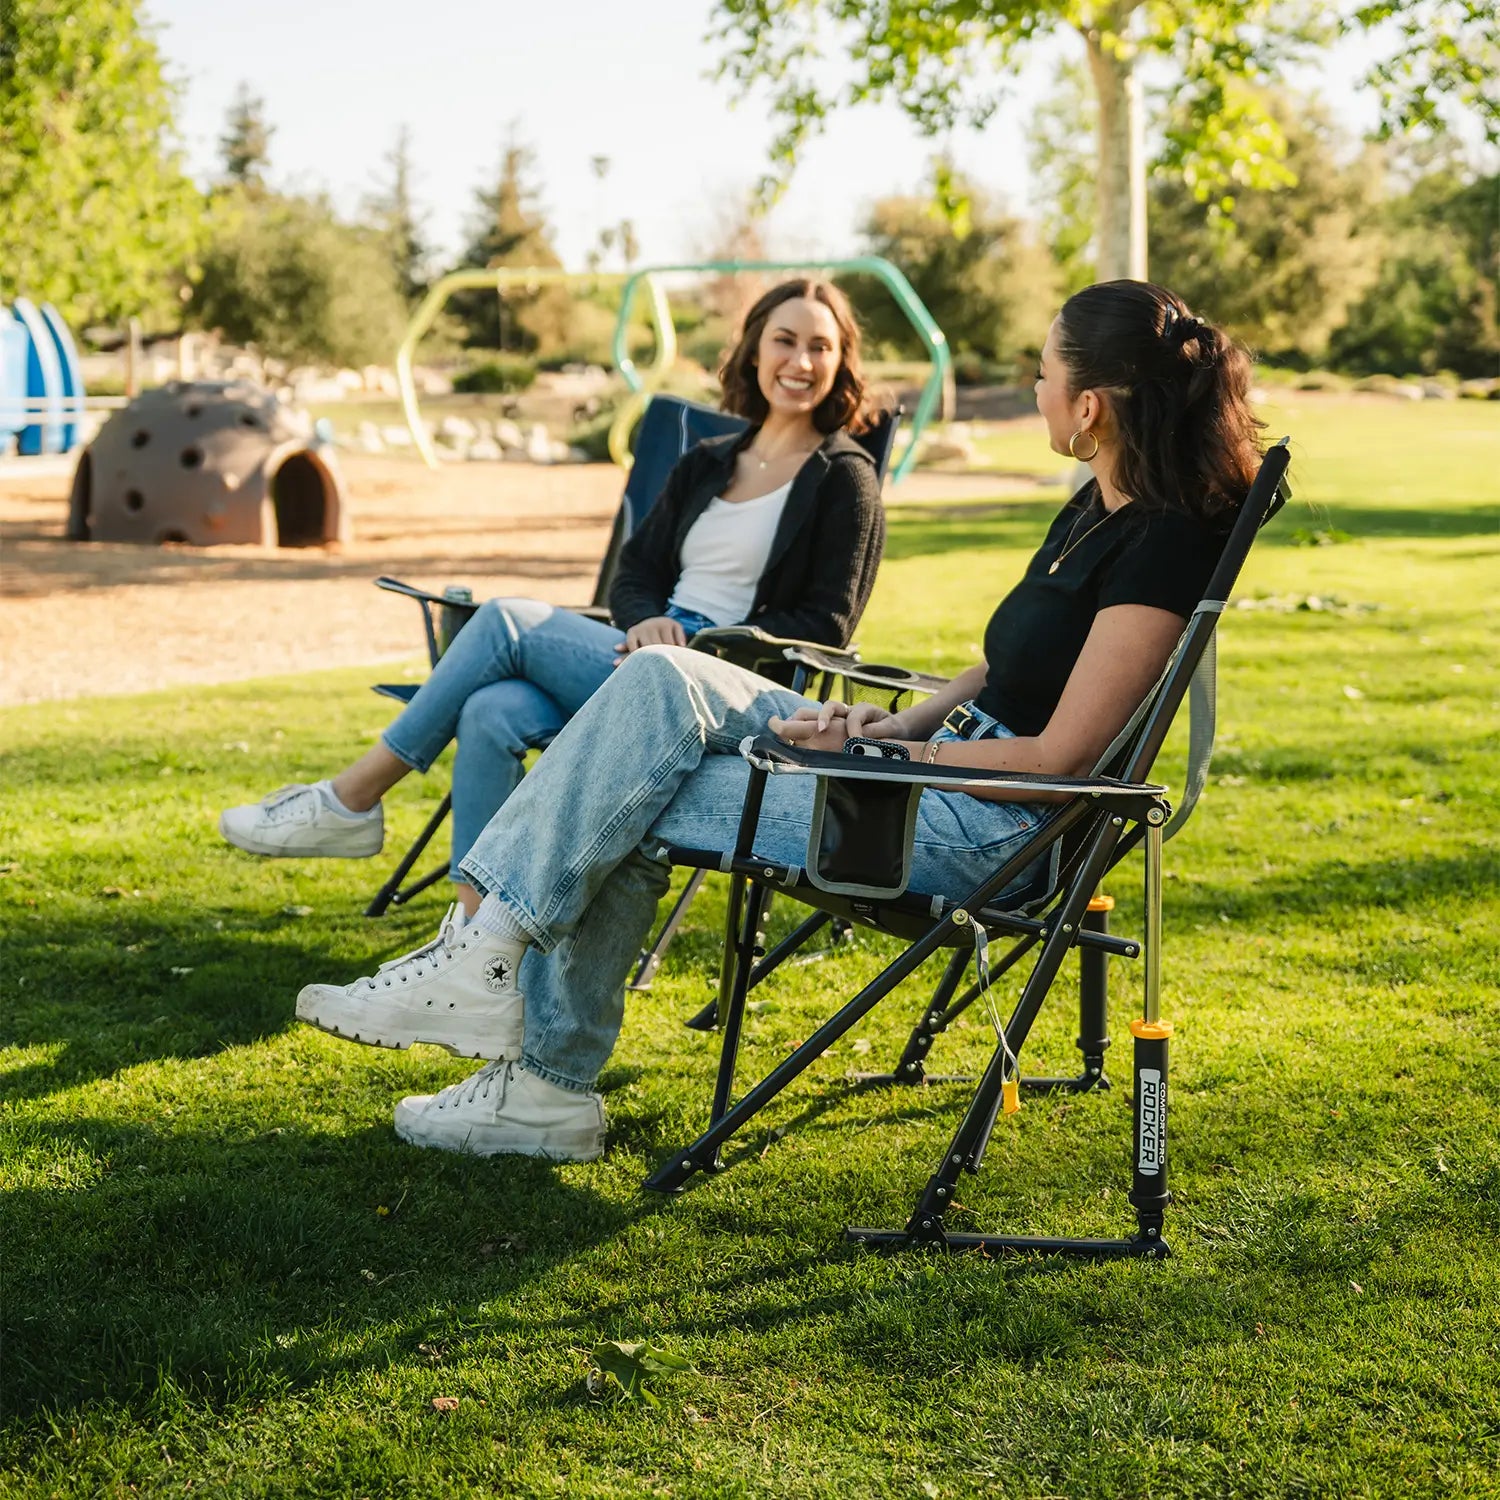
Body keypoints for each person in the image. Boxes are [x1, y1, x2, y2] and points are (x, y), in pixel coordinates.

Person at [291, 279, 1264, 1162]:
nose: (1038, 389)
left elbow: (1058, 758)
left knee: (637, 770)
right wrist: (876, 729)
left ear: (1089, 406)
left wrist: (903, 757)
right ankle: (495, 983)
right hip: (920, 772)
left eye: (1044, 374)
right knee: (661, 678)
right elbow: (1007, 668)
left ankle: (523, 1041)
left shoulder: (1161, 546)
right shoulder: (1097, 506)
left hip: (979, 827)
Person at [217, 278, 887, 915]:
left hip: (721, 688)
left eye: (819, 346)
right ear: (754, 348)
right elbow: (637, 570)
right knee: (490, 709)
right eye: (784, 340)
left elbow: (826, 624)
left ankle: (349, 799)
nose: (799, 360)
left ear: (840, 362)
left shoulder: (844, 479)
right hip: (645, 648)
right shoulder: (708, 459)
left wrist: (698, 647)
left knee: (507, 620)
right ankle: (478, 939)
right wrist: (647, 621)